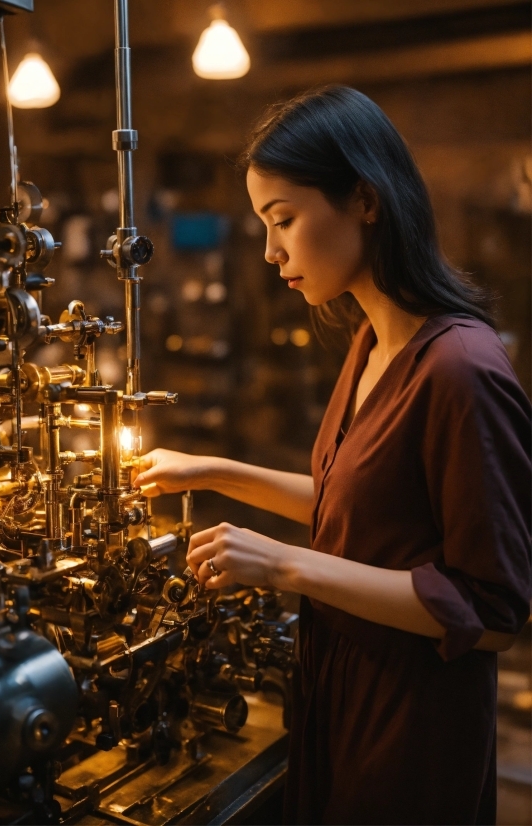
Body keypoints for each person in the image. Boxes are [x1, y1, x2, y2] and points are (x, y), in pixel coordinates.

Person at [134, 87, 531, 825]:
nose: (269, 249)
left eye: (282, 218)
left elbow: (493, 610)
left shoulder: (459, 369)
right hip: (341, 689)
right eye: (263, 224)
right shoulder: (372, 342)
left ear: (365, 200)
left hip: (410, 719)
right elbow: (363, 507)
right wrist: (213, 469)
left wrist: (284, 564)